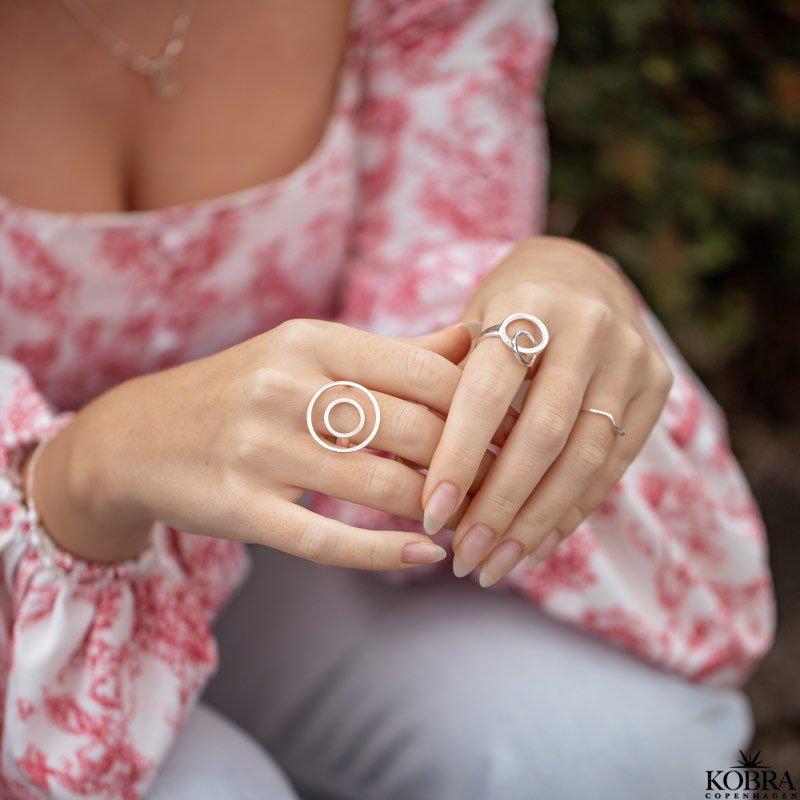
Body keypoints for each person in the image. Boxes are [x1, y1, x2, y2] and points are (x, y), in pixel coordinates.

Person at [0, 0, 776, 797]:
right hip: (16, 597)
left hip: (298, 559)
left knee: (643, 761)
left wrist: (545, 278)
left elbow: (447, 260)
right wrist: (89, 468)